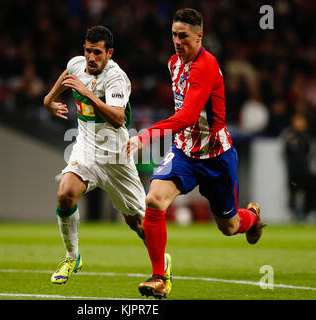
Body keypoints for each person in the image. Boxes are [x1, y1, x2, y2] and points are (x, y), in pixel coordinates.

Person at [123, 8, 264, 299]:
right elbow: (184, 119)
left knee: (229, 226)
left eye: (183, 36)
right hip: (184, 152)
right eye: (174, 35)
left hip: (216, 158)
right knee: (153, 200)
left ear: (199, 36)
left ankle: (251, 216)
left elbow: (187, 115)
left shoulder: (206, 66)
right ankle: (159, 277)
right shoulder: (174, 63)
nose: (177, 41)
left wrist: (147, 134)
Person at [43, 26, 172, 286]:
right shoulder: (77, 65)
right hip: (86, 150)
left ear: (109, 53)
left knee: (137, 222)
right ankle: (72, 257)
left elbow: (117, 118)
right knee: (65, 193)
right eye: (89, 51)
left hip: (116, 158)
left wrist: (88, 93)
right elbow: (68, 74)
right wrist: (49, 99)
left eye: (98, 53)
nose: (92, 58)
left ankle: (161, 262)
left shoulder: (116, 78)